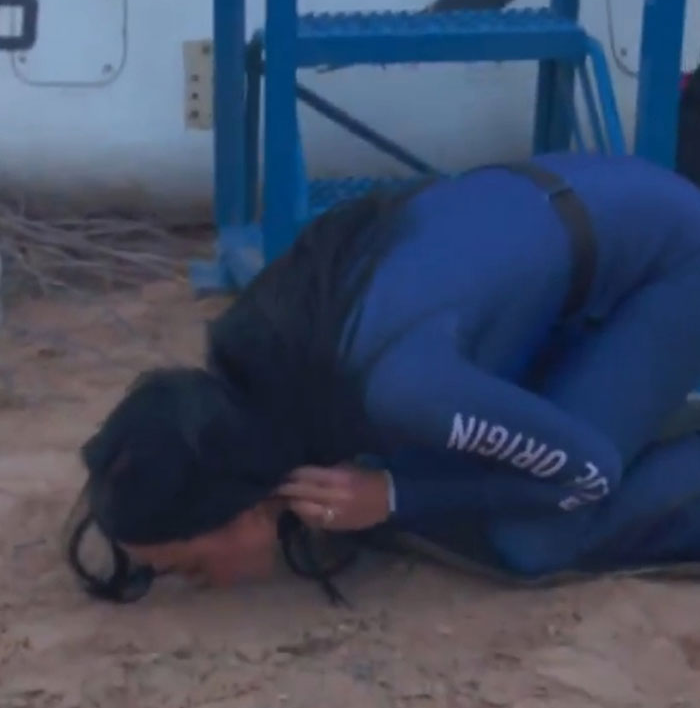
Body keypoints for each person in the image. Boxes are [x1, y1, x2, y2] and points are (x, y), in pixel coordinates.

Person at [66, 150, 700, 605]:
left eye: (195, 569)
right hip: (586, 207)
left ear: (237, 514)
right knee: (434, 475)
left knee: (529, 537)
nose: (201, 583)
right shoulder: (264, 361)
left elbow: (589, 474)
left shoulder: (397, 388)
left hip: (671, 262)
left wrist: (398, 497)